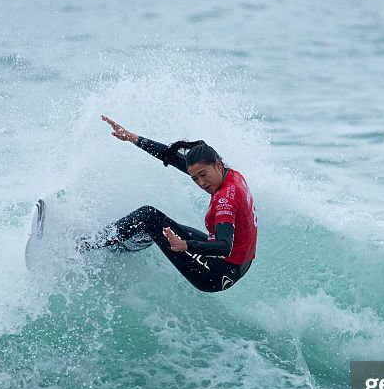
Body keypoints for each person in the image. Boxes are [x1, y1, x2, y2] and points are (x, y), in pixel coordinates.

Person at [75, 115, 257, 292]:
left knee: (148, 216)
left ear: (217, 165)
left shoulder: (225, 198)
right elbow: (174, 158)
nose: (201, 183)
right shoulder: (230, 174)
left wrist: (186, 245)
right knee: (160, 227)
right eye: (195, 178)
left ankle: (81, 245)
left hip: (217, 274)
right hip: (241, 262)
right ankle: (121, 246)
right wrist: (133, 138)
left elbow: (225, 247)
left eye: (203, 175)